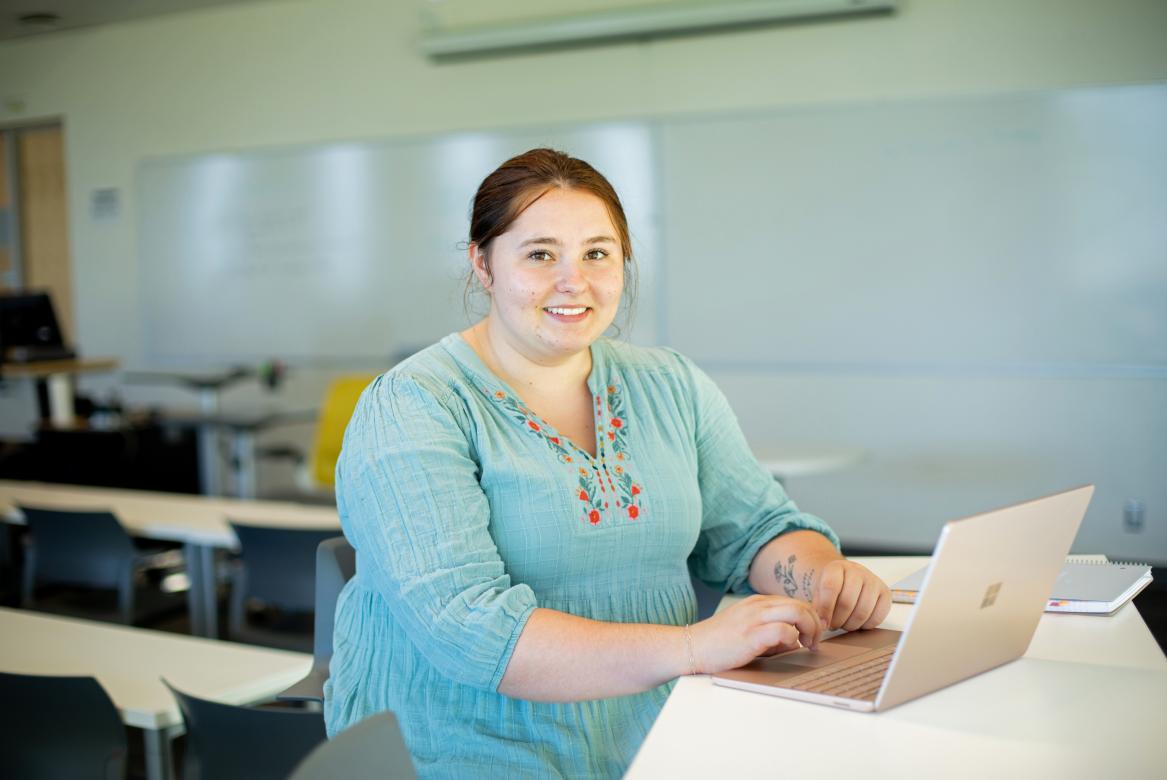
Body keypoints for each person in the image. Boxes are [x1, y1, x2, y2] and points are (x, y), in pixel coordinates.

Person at [325, 148, 891, 778]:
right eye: (540, 254)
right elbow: (471, 631)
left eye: (597, 252)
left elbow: (755, 530)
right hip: (468, 743)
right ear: (482, 264)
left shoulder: (669, 383)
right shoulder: (414, 405)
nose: (575, 281)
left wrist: (822, 575)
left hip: (663, 727)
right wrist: (693, 646)